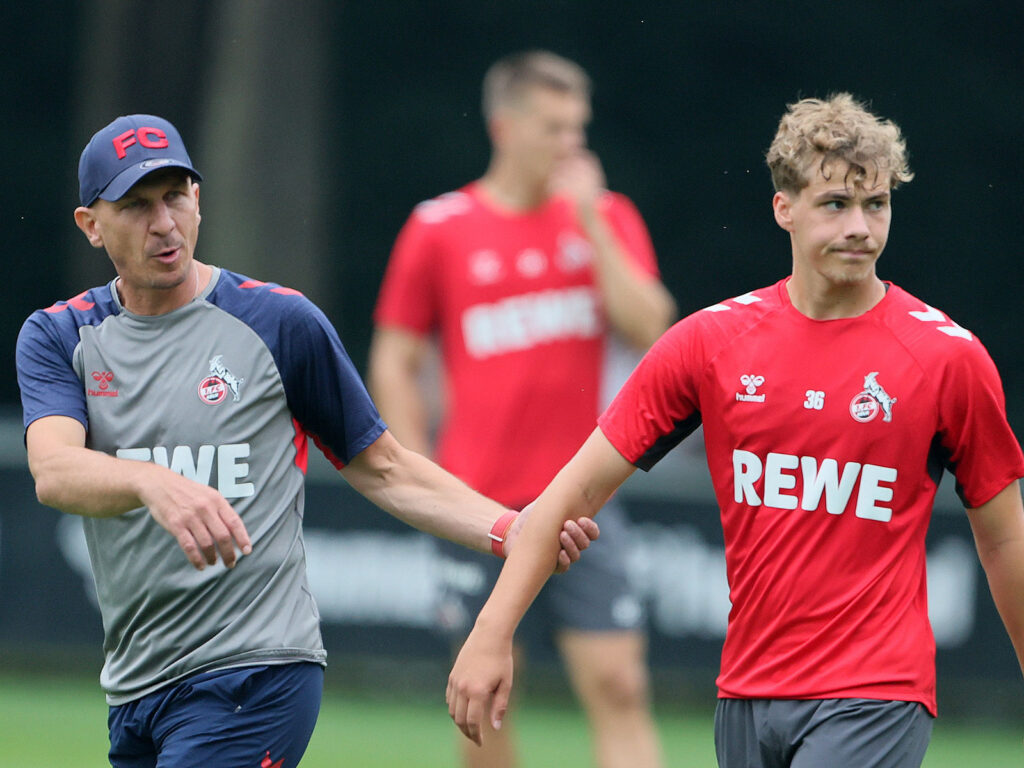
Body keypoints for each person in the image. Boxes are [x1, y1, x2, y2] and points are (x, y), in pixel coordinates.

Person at [446, 93, 1024, 768]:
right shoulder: (710, 344)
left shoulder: (947, 358)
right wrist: (492, 631)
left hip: (876, 694)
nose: (861, 226)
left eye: (878, 204)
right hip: (746, 697)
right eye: (836, 204)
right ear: (785, 209)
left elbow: (1004, 533)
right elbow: (568, 496)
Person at [15, 114, 600, 768]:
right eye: (135, 206)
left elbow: (384, 468)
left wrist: (509, 530)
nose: (164, 222)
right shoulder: (60, 336)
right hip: (137, 686)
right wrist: (151, 480)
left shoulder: (279, 322)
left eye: (176, 196)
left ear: (198, 200)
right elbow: (54, 471)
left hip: (256, 673)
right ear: (90, 225)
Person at [370, 51, 675, 768]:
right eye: (554, 127)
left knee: (622, 685)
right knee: (489, 702)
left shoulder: (607, 217)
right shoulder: (440, 226)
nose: (572, 144)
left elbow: (654, 331)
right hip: (480, 503)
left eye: (579, 127)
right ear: (504, 127)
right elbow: (394, 356)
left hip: (587, 499)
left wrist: (593, 224)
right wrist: (416, 468)